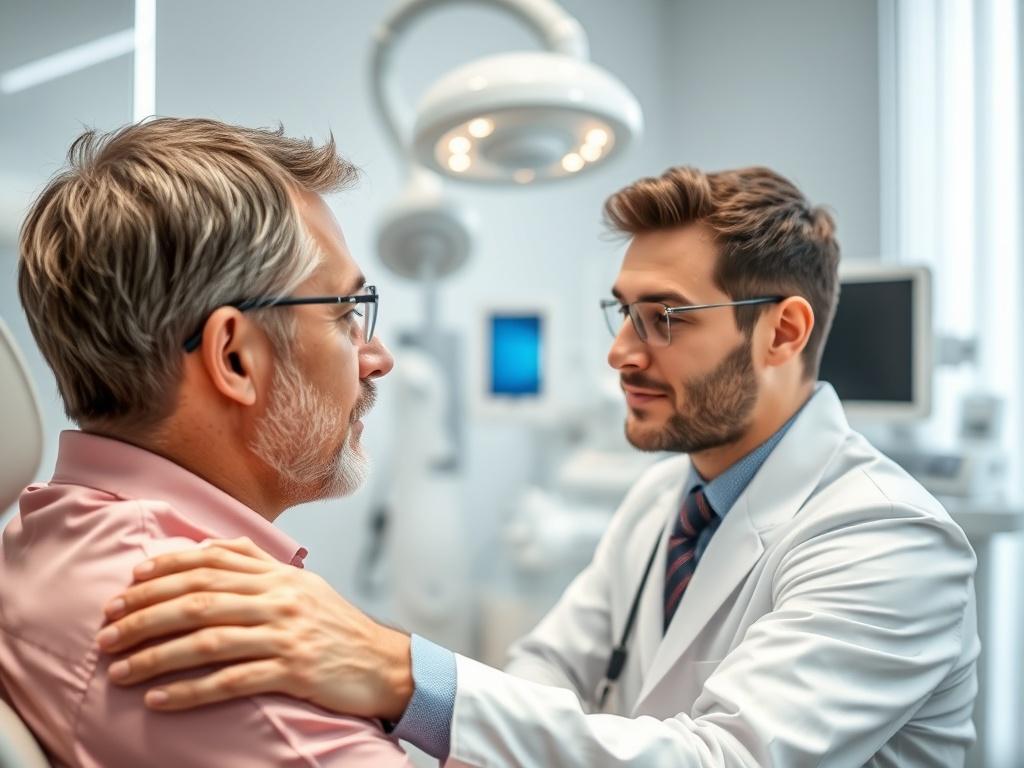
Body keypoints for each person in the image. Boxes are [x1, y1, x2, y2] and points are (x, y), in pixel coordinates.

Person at [96, 166, 980, 767]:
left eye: (664, 319)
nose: (622, 355)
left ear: (783, 331)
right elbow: (548, 670)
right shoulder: (670, 500)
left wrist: (399, 669)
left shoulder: (890, 541)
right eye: (622, 313)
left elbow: (725, 759)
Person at [0, 118, 415, 766]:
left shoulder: (43, 538)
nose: (377, 357)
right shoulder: (212, 647)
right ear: (234, 357)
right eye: (344, 314)